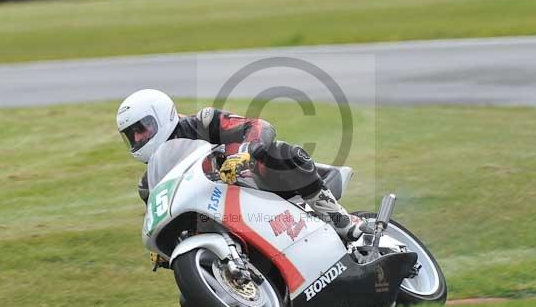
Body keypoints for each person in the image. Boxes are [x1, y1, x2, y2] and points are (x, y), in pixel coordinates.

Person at [116, 88, 369, 242]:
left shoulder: (203, 123)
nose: (138, 138)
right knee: (190, 303)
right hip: (217, 216)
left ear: (161, 115)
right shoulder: (148, 186)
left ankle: (340, 220)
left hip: (255, 183)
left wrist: (246, 152)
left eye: (141, 128)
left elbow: (259, 126)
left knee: (283, 154)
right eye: (131, 134)